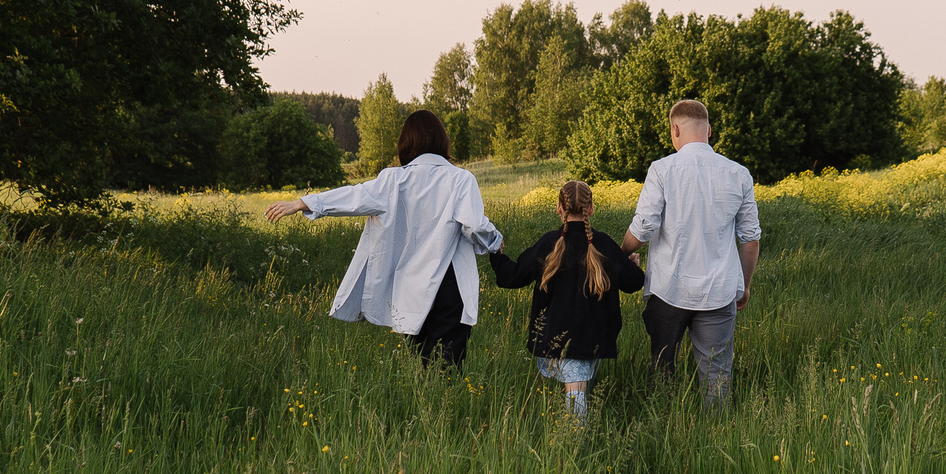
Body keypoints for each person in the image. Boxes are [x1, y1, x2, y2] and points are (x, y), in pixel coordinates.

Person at [265, 109, 502, 368]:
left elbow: (354, 197)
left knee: (423, 365)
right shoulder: (461, 179)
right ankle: (443, 407)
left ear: (406, 143)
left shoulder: (393, 180)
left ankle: (426, 406)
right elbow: (475, 225)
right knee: (448, 367)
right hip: (450, 286)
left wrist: (303, 202)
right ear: (441, 140)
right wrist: (494, 241)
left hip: (410, 288)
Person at [621, 98, 760, 403]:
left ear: (674, 129)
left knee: (662, 366)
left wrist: (621, 256)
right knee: (716, 374)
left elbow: (643, 227)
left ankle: (664, 427)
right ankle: (716, 432)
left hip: (668, 289)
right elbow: (750, 239)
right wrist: (744, 286)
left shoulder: (662, 170)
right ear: (708, 130)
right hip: (720, 291)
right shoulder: (739, 174)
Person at [490, 180, 644, 421]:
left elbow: (512, 276)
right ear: (591, 208)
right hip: (592, 336)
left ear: (559, 208)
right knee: (577, 396)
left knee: (577, 393)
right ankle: (574, 447)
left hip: (555, 337)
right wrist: (632, 265)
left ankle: (573, 445)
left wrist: (496, 254)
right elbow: (633, 282)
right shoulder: (603, 244)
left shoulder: (548, 244)